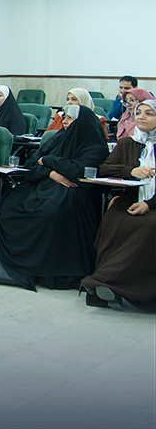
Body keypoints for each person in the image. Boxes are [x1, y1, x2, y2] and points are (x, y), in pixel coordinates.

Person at [0, 105, 108, 290]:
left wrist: (48, 161)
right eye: (64, 118)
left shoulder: (94, 145)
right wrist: (51, 173)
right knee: (11, 205)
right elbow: (30, 164)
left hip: (75, 191)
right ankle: (24, 261)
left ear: (81, 122)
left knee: (49, 212)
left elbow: (79, 171)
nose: (65, 122)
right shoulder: (57, 138)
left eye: (69, 119)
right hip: (44, 184)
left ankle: (49, 271)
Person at [81, 99, 156, 311]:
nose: (141, 117)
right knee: (114, 218)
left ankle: (113, 282)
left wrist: (149, 204)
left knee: (148, 225)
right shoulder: (128, 143)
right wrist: (130, 171)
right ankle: (105, 280)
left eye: (149, 113)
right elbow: (105, 168)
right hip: (131, 199)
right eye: (138, 113)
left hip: (153, 203)